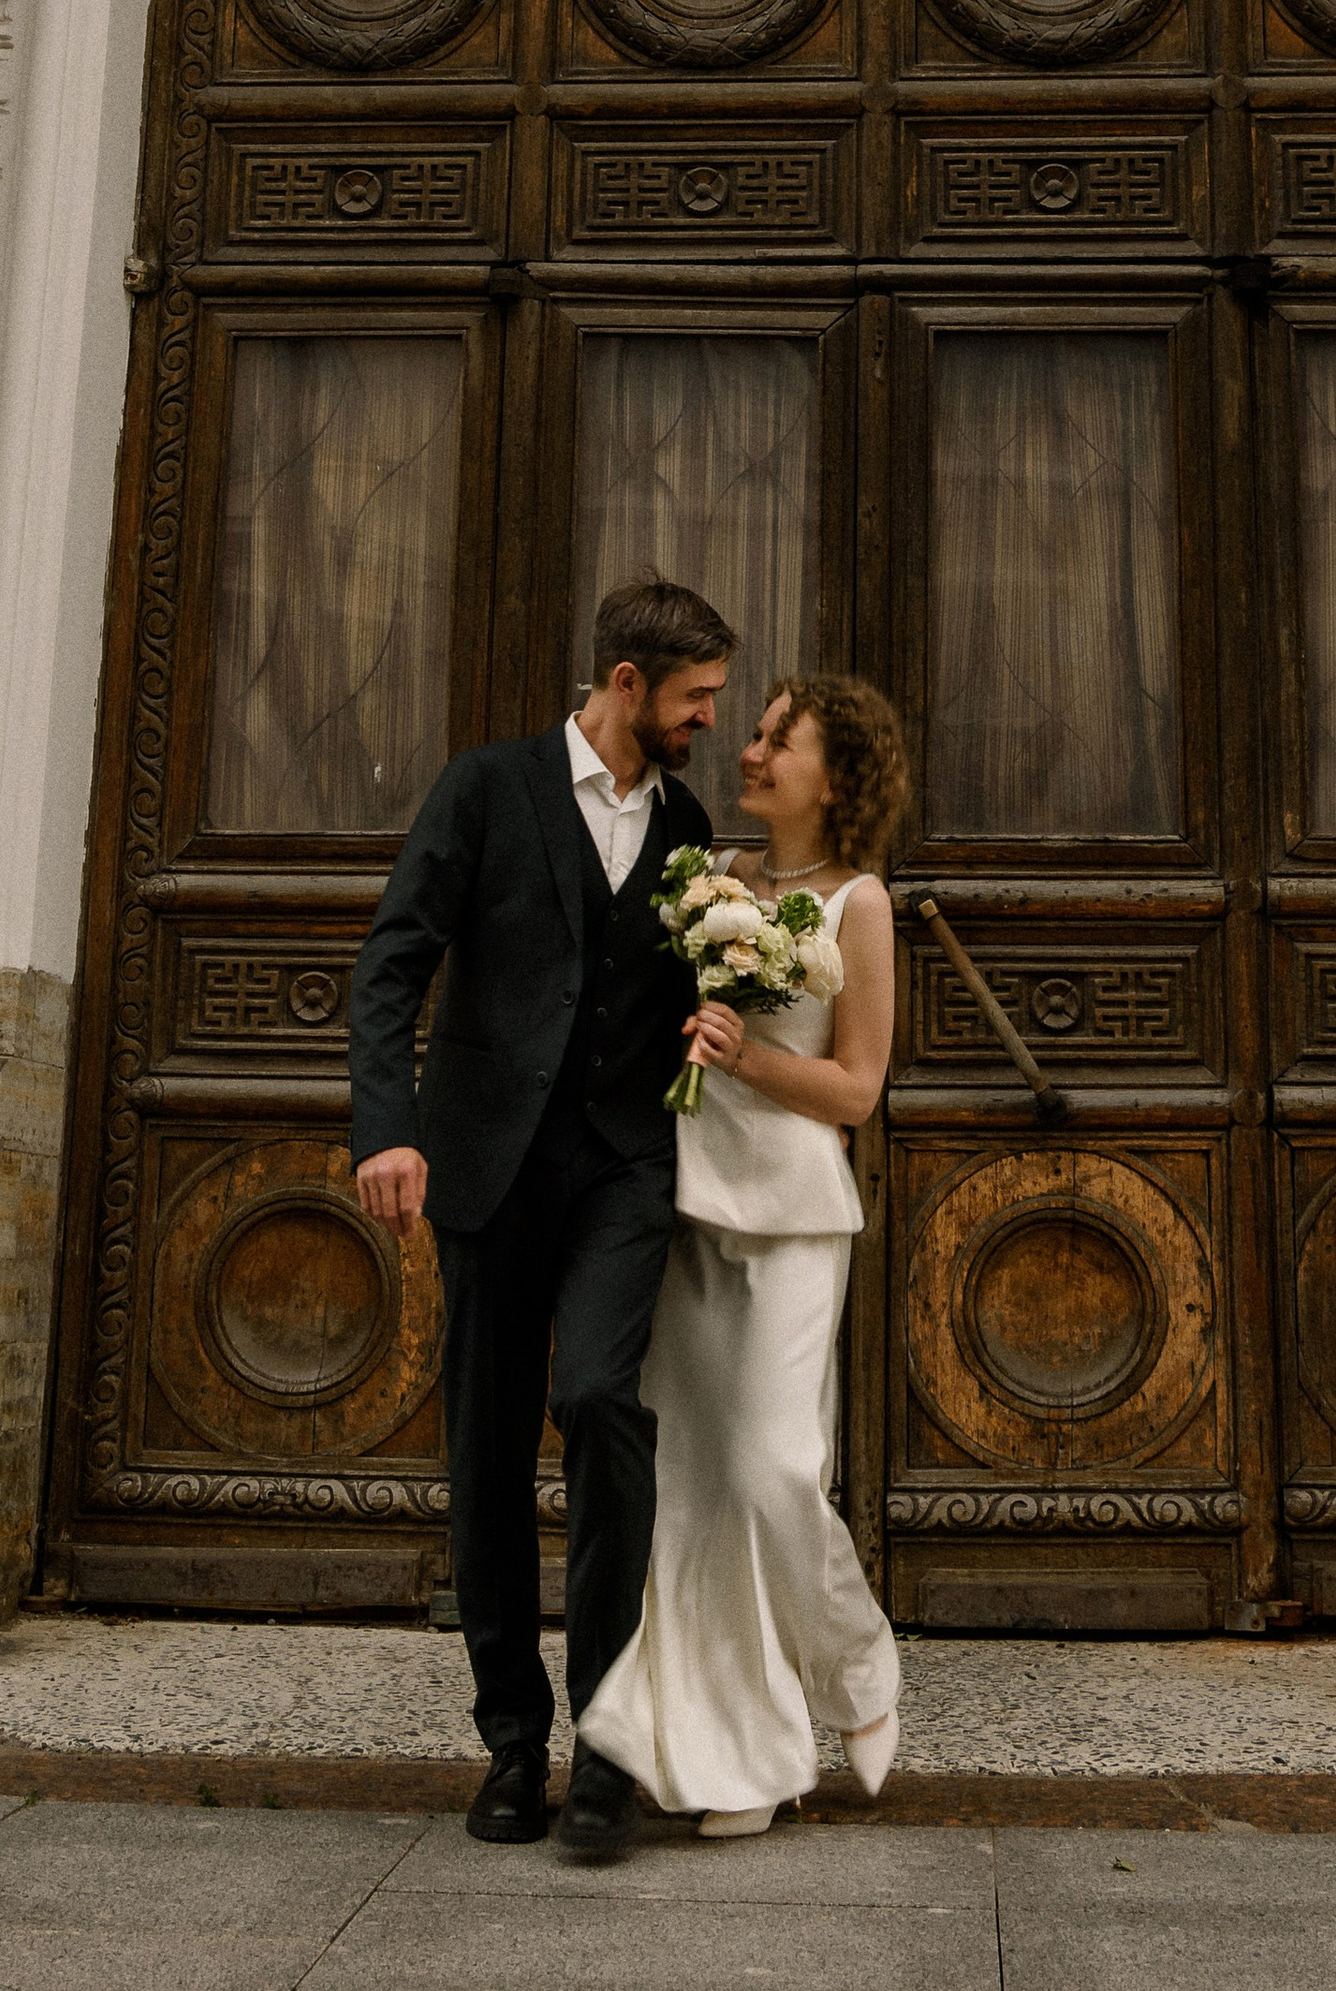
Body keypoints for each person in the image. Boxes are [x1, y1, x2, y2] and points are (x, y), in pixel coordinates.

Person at [347, 575, 731, 1861]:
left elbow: (681, 979)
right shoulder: (485, 786)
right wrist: (384, 1124)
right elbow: (395, 956)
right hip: (486, 1162)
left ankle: (610, 1738)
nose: (705, 723)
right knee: (489, 1443)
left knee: (606, 1404)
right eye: (693, 699)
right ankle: (514, 1741)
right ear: (626, 686)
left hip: (625, 1162)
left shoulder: (688, 821)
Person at [577, 672, 908, 1838]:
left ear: (838, 774)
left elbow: (857, 1091)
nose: (753, 750)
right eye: (757, 730)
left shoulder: (859, 904)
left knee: (774, 1471)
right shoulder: (712, 877)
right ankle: (744, 1759)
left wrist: (747, 1055)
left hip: (793, 1218)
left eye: (781, 738)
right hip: (687, 1211)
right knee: (694, 1496)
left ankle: (860, 1669)